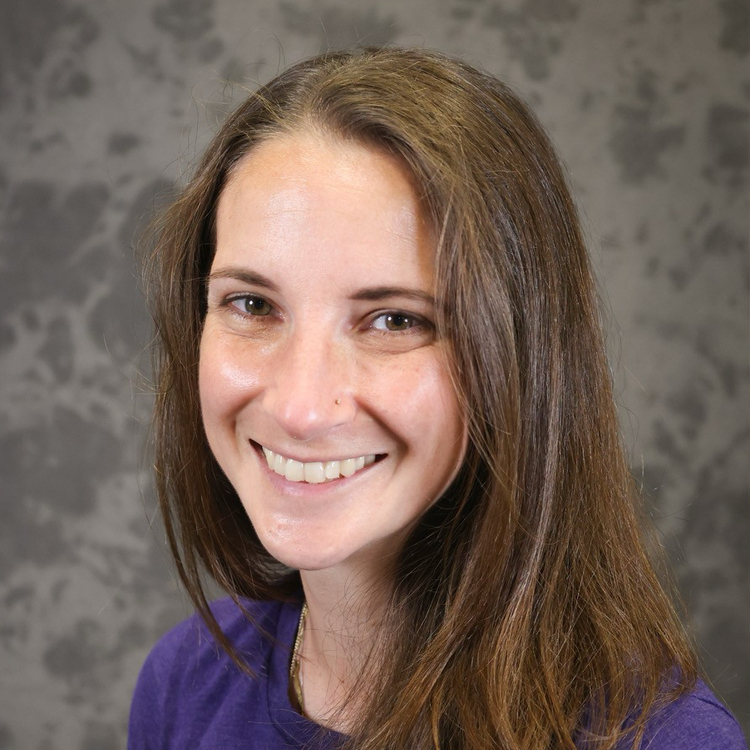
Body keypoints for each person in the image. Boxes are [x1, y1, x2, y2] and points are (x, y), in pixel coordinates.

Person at [128, 47, 747, 749]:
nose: (300, 407)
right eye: (251, 303)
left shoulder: (662, 741)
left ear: (518, 358)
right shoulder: (184, 684)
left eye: (395, 320)